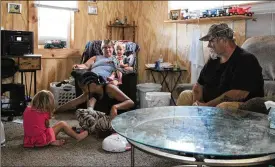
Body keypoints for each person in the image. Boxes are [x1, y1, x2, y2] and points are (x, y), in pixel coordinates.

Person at [176, 23, 264, 110]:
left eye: (211, 41)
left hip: (243, 106)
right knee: (185, 95)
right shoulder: (213, 59)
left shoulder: (246, 59)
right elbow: (198, 86)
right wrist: (197, 104)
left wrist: (207, 106)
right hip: (208, 105)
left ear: (224, 41)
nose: (208, 45)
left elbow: (239, 94)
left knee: (224, 106)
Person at [55, 71, 134, 136]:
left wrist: (115, 107)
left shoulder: (110, 88)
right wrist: (56, 110)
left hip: (118, 119)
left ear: (92, 85)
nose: (83, 91)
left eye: (83, 88)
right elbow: (72, 103)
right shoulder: (92, 92)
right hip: (104, 118)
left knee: (102, 123)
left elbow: (131, 102)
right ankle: (94, 130)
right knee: (79, 112)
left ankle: (90, 130)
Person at [23, 90, 88, 148]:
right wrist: (52, 138)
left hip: (29, 139)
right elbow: (47, 127)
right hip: (41, 139)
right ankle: (77, 136)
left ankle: (65, 131)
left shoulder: (27, 109)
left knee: (39, 128)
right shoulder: (44, 112)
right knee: (62, 124)